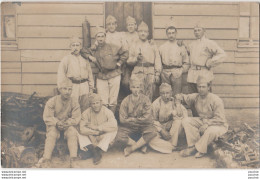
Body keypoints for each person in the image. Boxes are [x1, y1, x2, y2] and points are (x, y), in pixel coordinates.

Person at [176, 76, 228, 158]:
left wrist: (207, 124)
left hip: (217, 125)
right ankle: (193, 145)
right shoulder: (196, 96)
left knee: (210, 131)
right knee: (186, 121)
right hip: (203, 121)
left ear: (208, 87)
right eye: (199, 87)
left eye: (203, 87)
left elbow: (220, 119)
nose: (201, 89)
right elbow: (180, 96)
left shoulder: (216, 100)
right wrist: (178, 104)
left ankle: (197, 149)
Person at [85, 27, 129, 113]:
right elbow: (83, 51)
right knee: (103, 99)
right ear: (96, 38)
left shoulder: (113, 46)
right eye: (98, 36)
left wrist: (119, 63)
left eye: (102, 36)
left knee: (113, 99)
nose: (100, 38)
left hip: (114, 74)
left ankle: (111, 118)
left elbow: (125, 53)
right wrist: (90, 56)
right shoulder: (94, 49)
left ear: (105, 37)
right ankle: (104, 117)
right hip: (101, 76)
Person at [38, 80, 81, 167]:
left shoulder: (74, 102)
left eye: (70, 89)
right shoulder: (52, 101)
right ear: (60, 89)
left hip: (67, 126)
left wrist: (68, 122)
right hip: (54, 125)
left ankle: (73, 160)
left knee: (72, 132)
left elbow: (76, 117)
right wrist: (57, 122)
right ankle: (46, 159)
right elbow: (47, 116)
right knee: (52, 134)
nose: (67, 92)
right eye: (65, 89)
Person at [115, 78, 158, 156]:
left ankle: (132, 148)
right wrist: (132, 121)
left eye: (138, 87)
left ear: (141, 88)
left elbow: (147, 117)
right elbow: (122, 119)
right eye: (134, 87)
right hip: (130, 126)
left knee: (153, 131)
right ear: (130, 88)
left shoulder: (146, 99)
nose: (136, 90)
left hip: (143, 125)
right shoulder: (126, 101)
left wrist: (132, 119)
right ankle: (141, 145)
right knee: (118, 136)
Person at [184, 23, 226, 93]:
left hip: (204, 73)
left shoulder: (209, 43)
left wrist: (210, 62)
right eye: (195, 31)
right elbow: (189, 54)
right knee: (192, 98)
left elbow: (222, 54)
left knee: (205, 98)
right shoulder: (192, 44)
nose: (197, 32)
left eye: (199, 30)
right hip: (192, 75)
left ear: (204, 31)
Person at [78, 94, 117, 165]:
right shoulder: (86, 113)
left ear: (101, 102)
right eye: (93, 103)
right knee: (79, 133)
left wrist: (98, 127)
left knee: (113, 131)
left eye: (97, 103)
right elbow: (82, 129)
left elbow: (114, 125)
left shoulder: (107, 111)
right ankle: (95, 152)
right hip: (91, 136)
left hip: (102, 136)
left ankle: (94, 151)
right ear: (90, 105)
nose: (95, 105)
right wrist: (95, 132)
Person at [127, 21, 161, 101]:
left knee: (149, 95)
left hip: (150, 72)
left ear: (148, 33)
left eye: (145, 32)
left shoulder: (152, 45)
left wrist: (157, 74)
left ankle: (147, 112)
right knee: (137, 94)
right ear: (138, 33)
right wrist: (136, 58)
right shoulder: (134, 44)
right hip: (137, 72)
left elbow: (157, 60)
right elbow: (129, 60)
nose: (143, 33)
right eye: (141, 31)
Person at [151, 83, 188, 151]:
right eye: (163, 93)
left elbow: (184, 115)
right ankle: (172, 146)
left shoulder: (174, 101)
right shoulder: (156, 104)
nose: (165, 95)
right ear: (160, 94)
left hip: (171, 128)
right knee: (151, 139)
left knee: (178, 122)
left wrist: (178, 106)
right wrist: (161, 130)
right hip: (160, 127)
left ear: (171, 93)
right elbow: (152, 121)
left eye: (167, 93)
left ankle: (170, 144)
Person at [57, 36, 94, 101]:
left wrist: (91, 88)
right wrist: (62, 89)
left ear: (80, 47)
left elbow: (90, 74)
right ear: (70, 47)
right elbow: (61, 75)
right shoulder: (66, 59)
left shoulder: (85, 59)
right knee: (73, 105)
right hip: (73, 86)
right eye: (73, 45)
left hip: (84, 85)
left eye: (77, 45)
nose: (75, 47)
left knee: (85, 105)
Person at [159, 25, 189, 96]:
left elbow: (186, 62)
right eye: (169, 33)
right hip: (165, 73)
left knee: (177, 94)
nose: (171, 35)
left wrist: (181, 71)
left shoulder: (181, 47)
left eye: (173, 33)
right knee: (165, 93)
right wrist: (161, 72)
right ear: (167, 34)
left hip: (177, 73)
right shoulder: (162, 47)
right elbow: (158, 62)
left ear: (176, 34)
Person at [121, 16, 139, 92]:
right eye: (129, 25)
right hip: (126, 63)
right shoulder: (123, 35)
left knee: (136, 82)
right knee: (125, 82)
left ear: (135, 26)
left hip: (137, 63)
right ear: (126, 26)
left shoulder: (139, 35)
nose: (131, 26)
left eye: (132, 24)